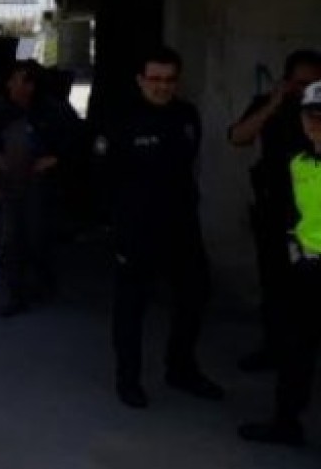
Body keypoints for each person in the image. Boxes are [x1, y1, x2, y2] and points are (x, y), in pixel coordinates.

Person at [95, 46, 224, 409]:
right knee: (131, 307)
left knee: (195, 296)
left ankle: (181, 369)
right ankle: (128, 379)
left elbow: (189, 164)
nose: (162, 86)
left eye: (169, 80)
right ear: (140, 80)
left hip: (182, 226)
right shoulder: (120, 119)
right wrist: (115, 226)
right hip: (136, 229)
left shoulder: (186, 115)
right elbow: (103, 178)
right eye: (155, 79)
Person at [226, 49, 321, 372]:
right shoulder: (272, 105)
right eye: (297, 83)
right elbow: (238, 137)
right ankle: (274, 349)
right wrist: (275, 103)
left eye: (311, 83)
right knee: (274, 287)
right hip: (273, 211)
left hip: (311, 219)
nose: (302, 90)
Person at [239, 79, 321, 446]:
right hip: (304, 274)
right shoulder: (298, 162)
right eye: (312, 116)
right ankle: (285, 424)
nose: (317, 124)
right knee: (294, 356)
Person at [0, 61, 61, 316]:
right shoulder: (0, 112)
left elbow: (72, 141)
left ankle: (42, 283)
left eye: (21, 81)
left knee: (37, 236)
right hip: (11, 182)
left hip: (40, 184)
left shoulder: (50, 112)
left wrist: (54, 159)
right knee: (12, 240)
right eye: (13, 80)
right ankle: (15, 294)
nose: (14, 86)